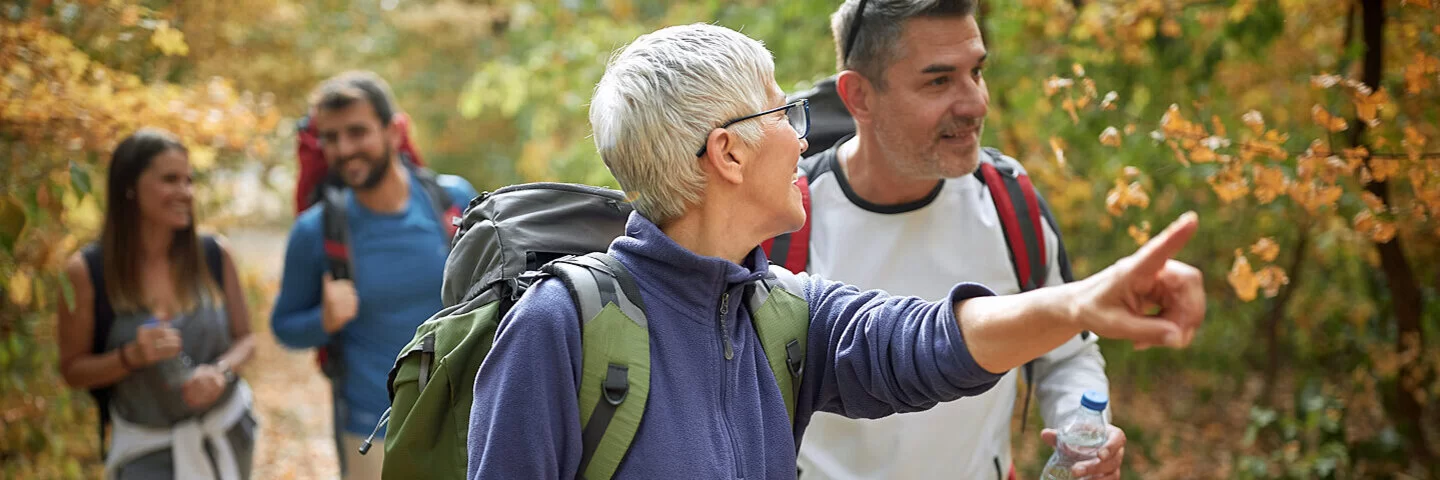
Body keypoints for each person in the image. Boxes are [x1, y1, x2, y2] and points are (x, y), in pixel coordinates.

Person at [465, 23, 1204, 478]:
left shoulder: (782, 312)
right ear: (726, 152)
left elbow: (929, 342)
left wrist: (1082, 302)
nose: (802, 131)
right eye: (782, 109)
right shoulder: (557, 329)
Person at [790, 1, 1123, 479]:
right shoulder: (786, 221)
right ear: (859, 96)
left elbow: (1066, 353)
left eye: (977, 72)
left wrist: (1083, 428)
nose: (975, 103)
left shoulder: (1010, 204)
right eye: (939, 81)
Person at [270, 71, 478, 480]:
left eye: (357, 132)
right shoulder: (317, 231)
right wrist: (323, 321)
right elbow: (284, 327)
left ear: (394, 131)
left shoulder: (452, 201)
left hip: (460, 416)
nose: (344, 149)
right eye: (330, 137)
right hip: (370, 429)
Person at [58, 128, 258, 479]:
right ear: (129, 187)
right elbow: (72, 370)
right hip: (144, 452)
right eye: (170, 180)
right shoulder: (86, 271)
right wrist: (129, 357)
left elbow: (247, 340)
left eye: (189, 181)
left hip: (227, 438)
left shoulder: (213, 254)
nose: (186, 192)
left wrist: (220, 372)